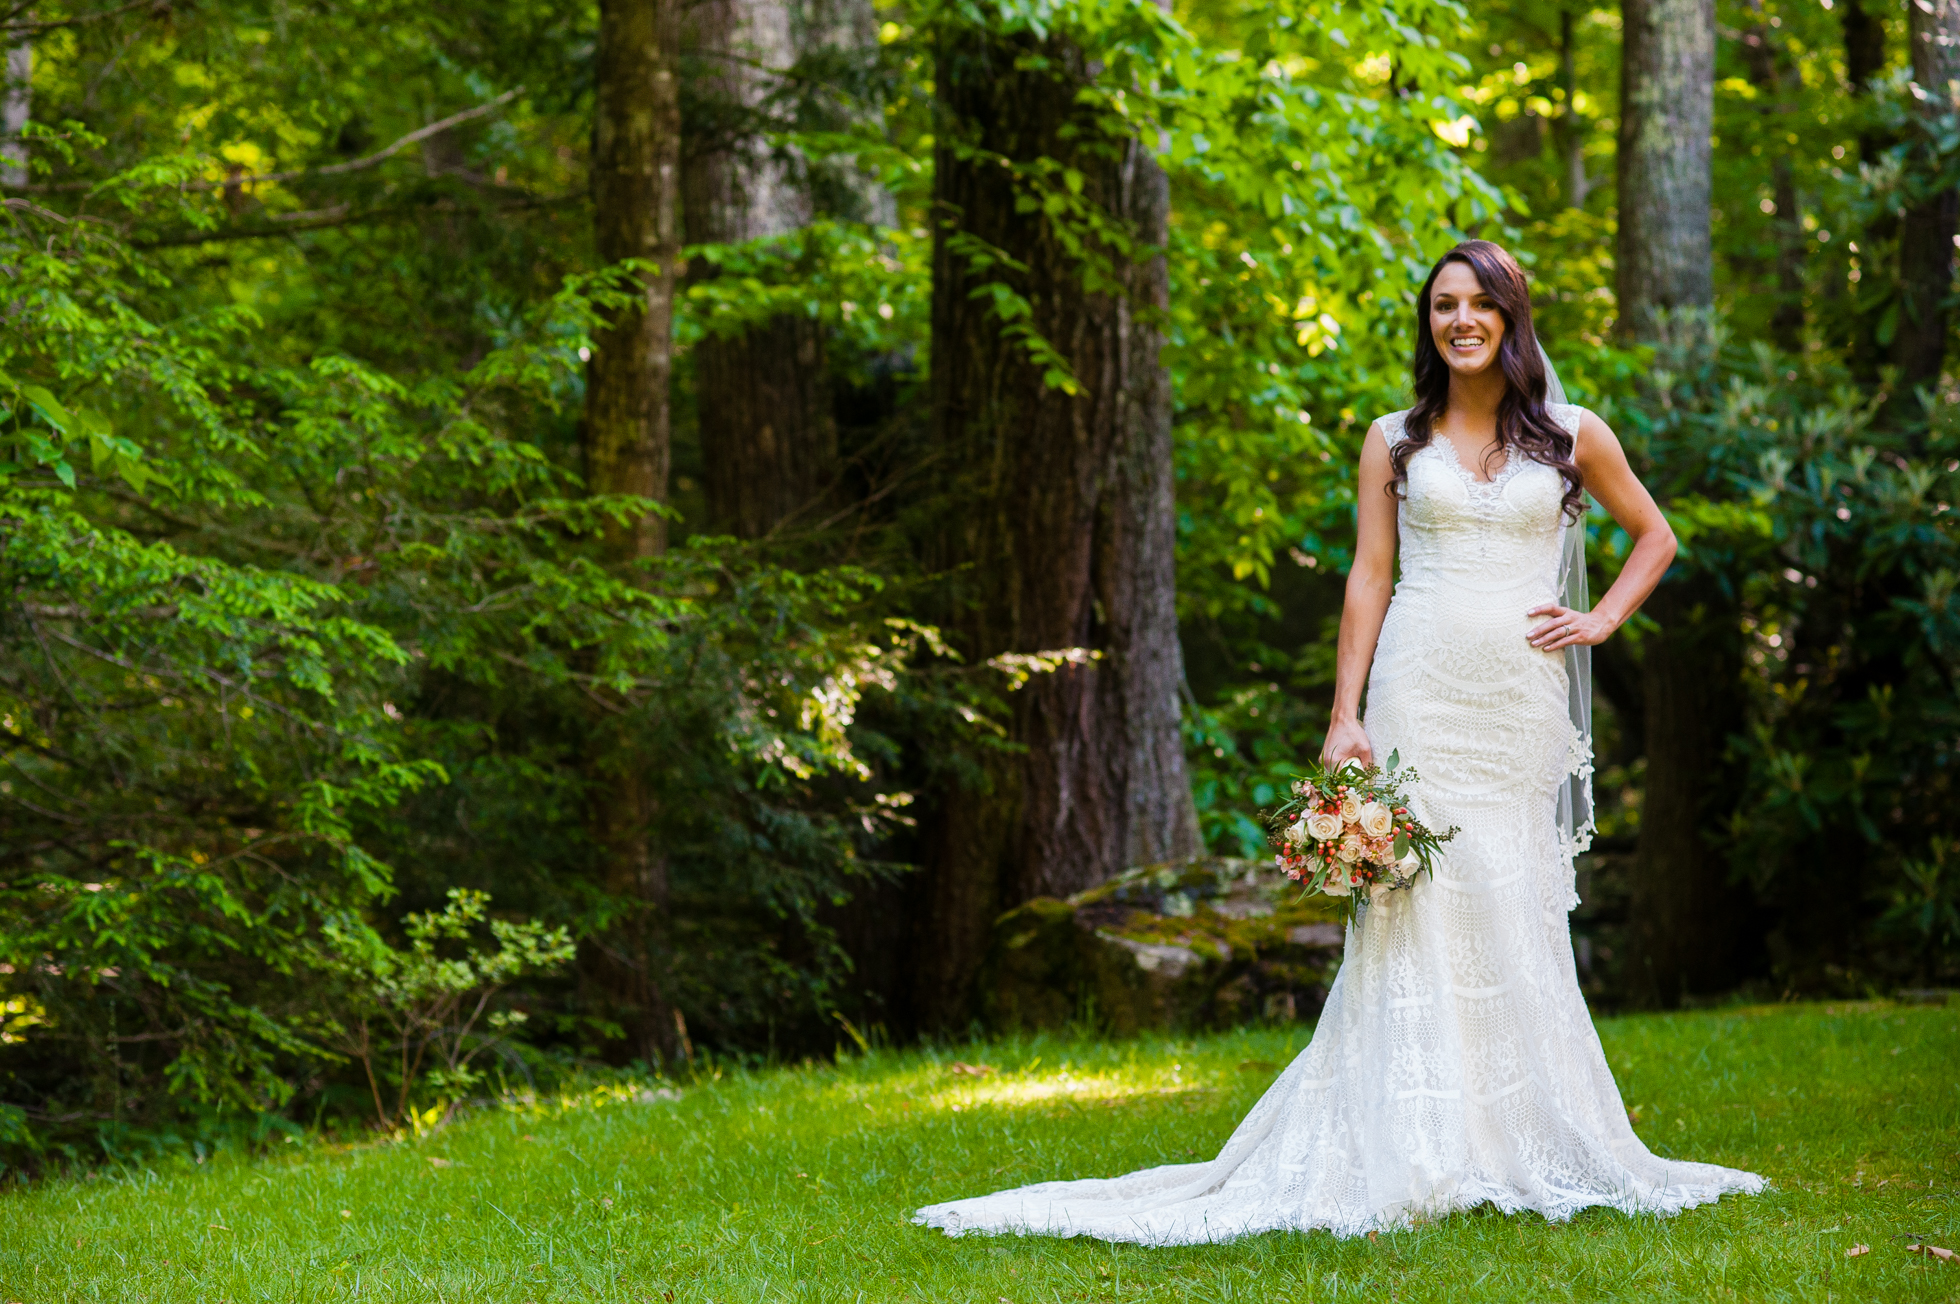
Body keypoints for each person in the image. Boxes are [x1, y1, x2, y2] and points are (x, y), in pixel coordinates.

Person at [913, 240, 1765, 1244]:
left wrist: (1602, 619)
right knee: (1416, 901)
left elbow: (1654, 533)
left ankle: (1521, 1128)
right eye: (1443, 305)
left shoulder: (1572, 434)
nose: (1460, 320)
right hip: (1420, 689)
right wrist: (1344, 712)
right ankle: (1413, 1137)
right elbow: (1368, 573)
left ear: (1510, 317)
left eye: (1478, 304)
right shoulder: (1393, 439)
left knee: (1509, 885)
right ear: (1428, 324)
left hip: (1516, 701)